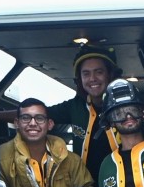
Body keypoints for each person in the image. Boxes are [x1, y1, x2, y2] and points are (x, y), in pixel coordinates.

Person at [0, 98, 93, 187]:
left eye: (39, 118)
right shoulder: (0, 156)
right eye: (25, 118)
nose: (32, 123)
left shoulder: (70, 159)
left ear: (50, 124)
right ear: (16, 123)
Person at [48, 43, 123, 177]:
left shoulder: (127, 105)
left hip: (121, 186)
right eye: (86, 74)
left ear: (110, 75)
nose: (92, 78)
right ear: (79, 79)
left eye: (99, 72)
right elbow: (37, 114)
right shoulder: (75, 107)